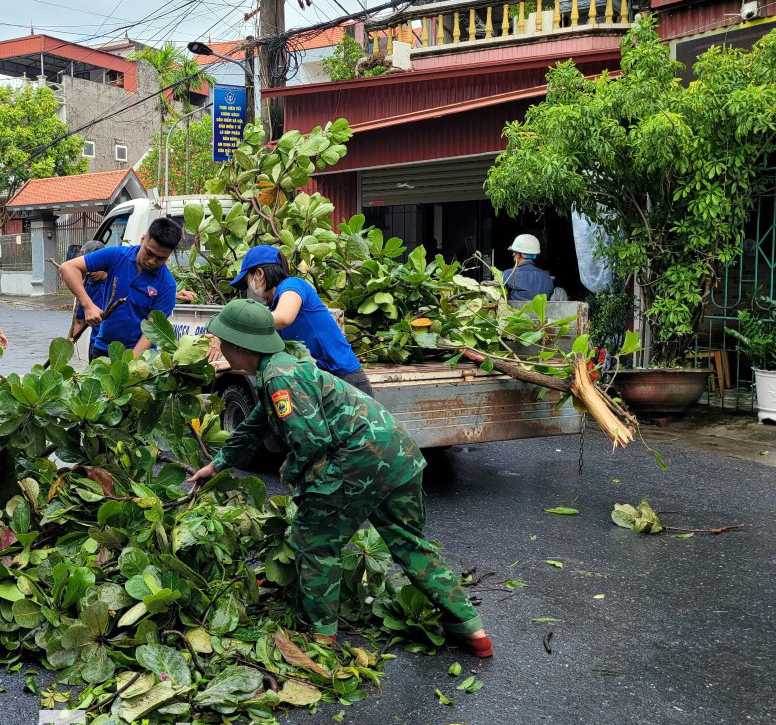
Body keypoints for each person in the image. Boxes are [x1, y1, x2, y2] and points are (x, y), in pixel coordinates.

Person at [187, 300, 492, 656]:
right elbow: (257, 422)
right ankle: (471, 629)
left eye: (222, 343)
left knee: (314, 540)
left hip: (360, 458)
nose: (220, 350)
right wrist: (218, 463)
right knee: (409, 543)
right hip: (399, 455)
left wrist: (295, 477)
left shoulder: (279, 378)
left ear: (240, 346)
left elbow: (311, 440)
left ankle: (321, 637)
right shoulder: (285, 365)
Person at [229, 245, 375, 397]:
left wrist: (234, 325)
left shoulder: (293, 285)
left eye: (247, 282)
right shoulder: (274, 310)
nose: (247, 290)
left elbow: (285, 317)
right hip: (321, 382)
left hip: (346, 381)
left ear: (259, 274)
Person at [59, 218, 181, 358]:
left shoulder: (167, 286)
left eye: (160, 259)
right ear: (143, 240)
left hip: (139, 357)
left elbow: (151, 332)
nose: (152, 261)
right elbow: (67, 267)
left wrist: (130, 363)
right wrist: (88, 305)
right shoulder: (117, 256)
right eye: (149, 253)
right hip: (103, 349)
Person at [67, 240, 110, 354]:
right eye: (88, 267)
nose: (90, 272)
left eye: (95, 266)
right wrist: (64, 349)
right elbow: (79, 322)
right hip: (97, 347)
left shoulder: (118, 281)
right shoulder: (86, 287)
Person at [500, 234, 554, 301]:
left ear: (518, 255)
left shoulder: (509, 274)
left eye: (514, 253)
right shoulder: (547, 278)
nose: (513, 256)